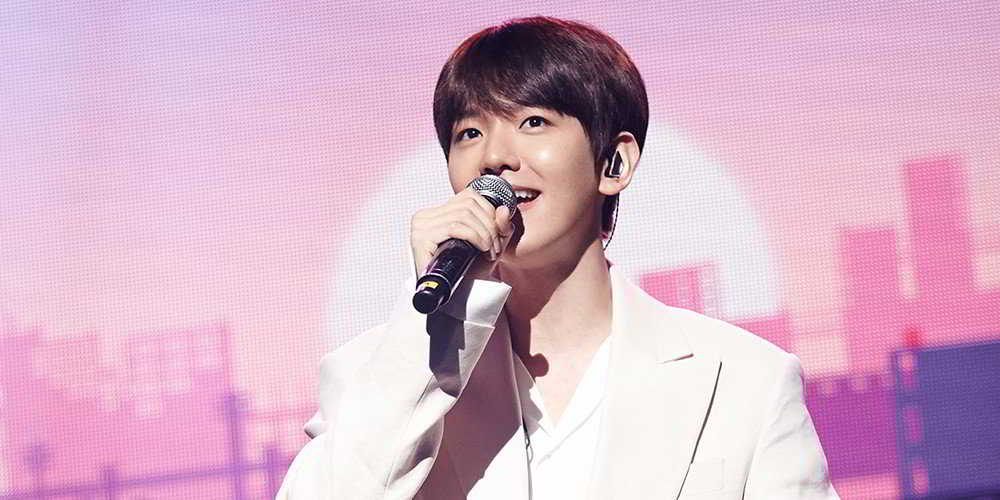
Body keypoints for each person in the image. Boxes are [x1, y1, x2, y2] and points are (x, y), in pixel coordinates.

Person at [277, 16, 838, 499]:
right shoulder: (378, 373)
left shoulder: (745, 381)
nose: (495, 157)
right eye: (469, 132)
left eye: (533, 122)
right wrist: (433, 333)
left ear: (613, 163)